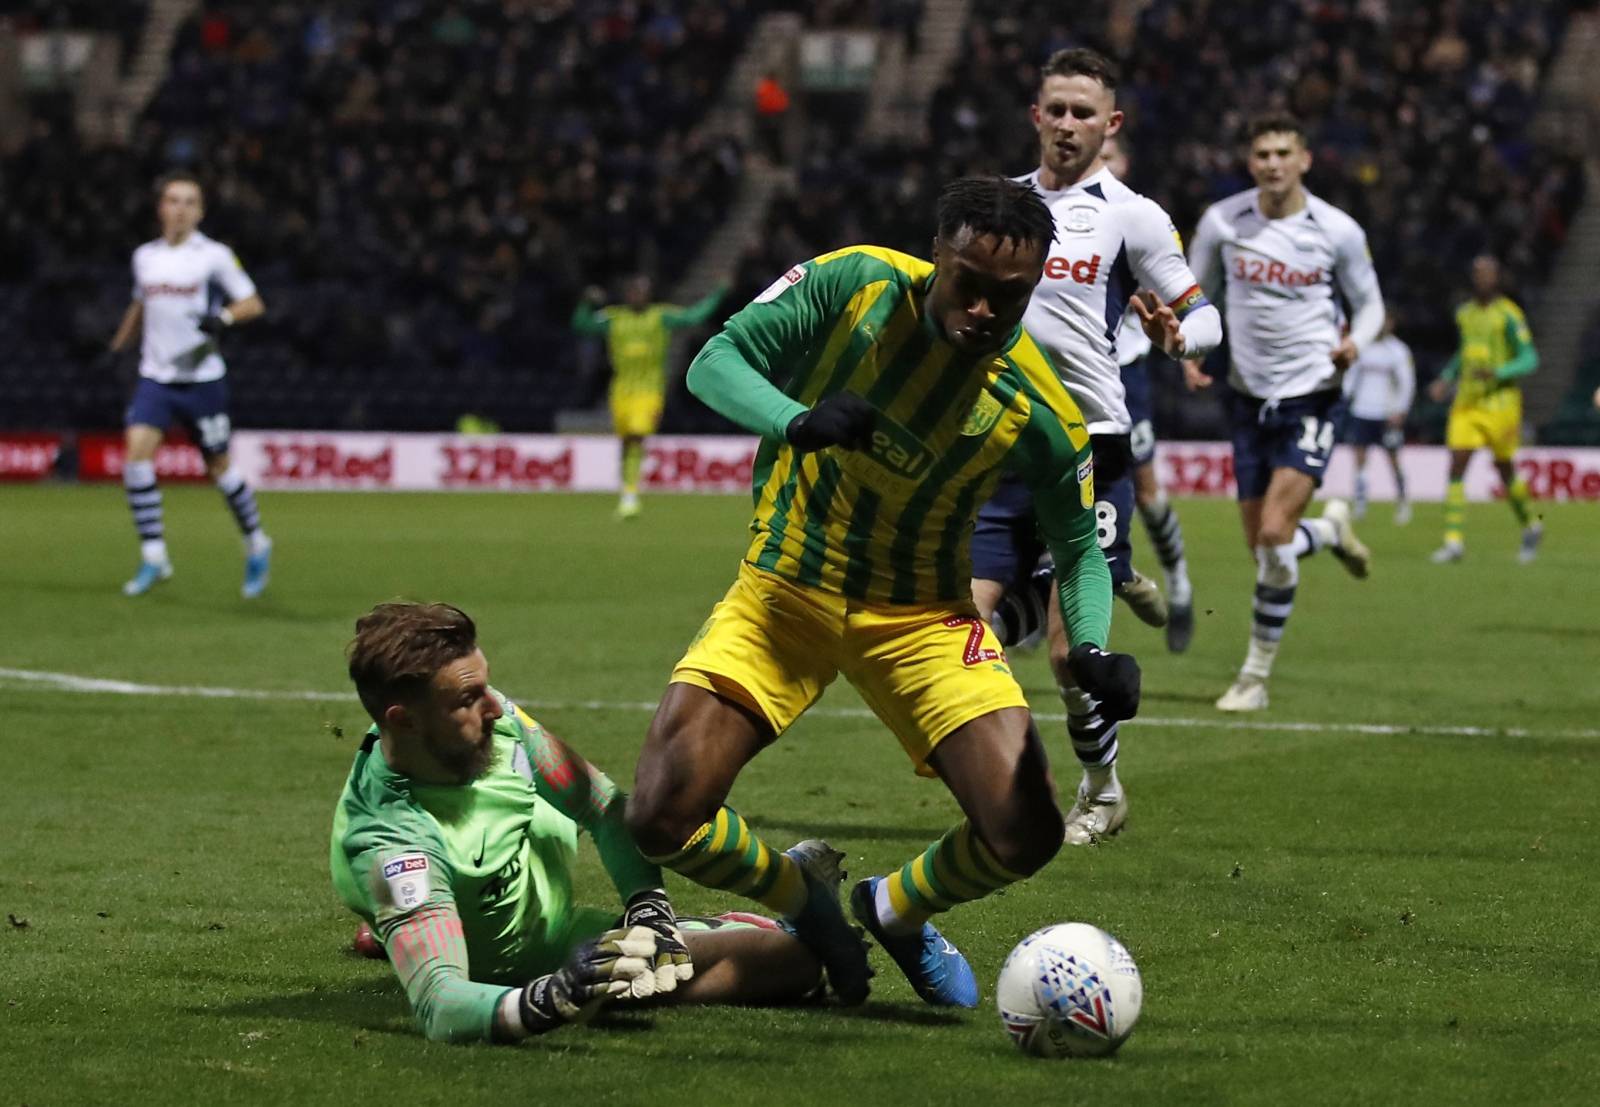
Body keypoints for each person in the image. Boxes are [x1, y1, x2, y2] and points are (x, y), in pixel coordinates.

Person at [625, 176, 1142, 1012]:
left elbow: (1078, 544)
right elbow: (716, 361)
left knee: (1027, 830)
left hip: (922, 620)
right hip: (783, 592)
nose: (983, 309)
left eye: (1008, 297)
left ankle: (892, 907)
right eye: (968, 283)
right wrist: (795, 418)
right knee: (659, 814)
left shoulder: (1041, 408)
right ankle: (806, 903)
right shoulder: (856, 282)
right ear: (936, 255)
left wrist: (1089, 647)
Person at [331, 602, 829, 1044]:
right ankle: (415, 920)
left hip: (525, 872)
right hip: (526, 952)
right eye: (466, 700)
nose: (493, 706)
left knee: (567, 811)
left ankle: (404, 924)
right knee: (800, 959)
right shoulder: (394, 845)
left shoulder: (495, 720)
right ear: (403, 720)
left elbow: (605, 808)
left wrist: (648, 907)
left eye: (485, 685)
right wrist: (551, 996)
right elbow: (441, 1005)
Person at [971, 50, 1221, 845]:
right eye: (1058, 110)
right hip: (1002, 447)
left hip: (1093, 449)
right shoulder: (997, 206)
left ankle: (1102, 790)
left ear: (1111, 125)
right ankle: (1000, 784)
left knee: (1064, 650)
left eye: (1086, 113)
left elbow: (1202, 311)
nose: (1069, 125)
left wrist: (1181, 337)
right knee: (959, 629)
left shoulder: (1130, 214)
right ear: (1035, 116)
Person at [1185, 114, 1383, 713]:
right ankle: (1328, 530)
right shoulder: (1222, 221)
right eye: (1262, 153)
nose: (1272, 163)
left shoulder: (1337, 230)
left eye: (1282, 152)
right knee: (1265, 549)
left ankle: (1254, 677)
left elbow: (1370, 304)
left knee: (1273, 536)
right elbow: (1196, 293)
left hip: (1314, 394)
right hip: (1247, 400)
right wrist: (1193, 353)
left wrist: (1356, 344)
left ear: (1305, 160)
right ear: (1250, 161)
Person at [106, 172, 271, 598]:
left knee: (219, 470)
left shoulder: (214, 256)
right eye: (173, 200)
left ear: (199, 211)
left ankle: (256, 542)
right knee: (136, 456)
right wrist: (116, 347)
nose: (180, 208)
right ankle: (154, 556)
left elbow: (252, 302)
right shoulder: (145, 257)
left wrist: (224, 319)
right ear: (161, 207)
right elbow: (141, 304)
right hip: (156, 377)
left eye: (189, 202)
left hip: (202, 381)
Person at [1102, 131, 1198, 655]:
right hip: (1064, 376)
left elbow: (1178, 293)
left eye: (1110, 156)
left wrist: (1187, 346)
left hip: (1125, 371)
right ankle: (1037, 596)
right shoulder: (1050, 214)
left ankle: (1179, 581)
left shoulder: (1139, 221)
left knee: (1146, 490)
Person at [571, 276, 728, 518]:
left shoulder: (660, 316)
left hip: (650, 391)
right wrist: (586, 302)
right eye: (633, 291)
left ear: (649, 294)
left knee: (637, 435)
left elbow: (693, 316)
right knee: (627, 442)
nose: (637, 295)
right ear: (627, 294)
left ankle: (631, 496)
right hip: (620, 391)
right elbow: (582, 325)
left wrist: (719, 292)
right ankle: (627, 490)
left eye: (642, 291)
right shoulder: (614, 317)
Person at [1427, 255, 1543, 563]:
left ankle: (1531, 524)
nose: (1482, 278)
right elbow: (1464, 354)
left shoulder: (1509, 314)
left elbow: (1530, 358)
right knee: (1456, 463)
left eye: (1488, 272)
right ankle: (1453, 542)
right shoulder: (1464, 314)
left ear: (1498, 277)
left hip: (1500, 403)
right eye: (1477, 272)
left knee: (1504, 468)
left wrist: (1499, 372)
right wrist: (1446, 378)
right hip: (1467, 401)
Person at [1340, 313, 1415, 524]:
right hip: (1362, 411)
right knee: (1359, 460)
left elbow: (1407, 383)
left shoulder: (1398, 351)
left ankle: (1402, 503)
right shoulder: (1362, 347)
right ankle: (1360, 503)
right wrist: (1346, 400)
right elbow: (1350, 377)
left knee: (1393, 460)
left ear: (1392, 323)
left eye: (1387, 320)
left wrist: (1401, 410)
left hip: (1387, 414)